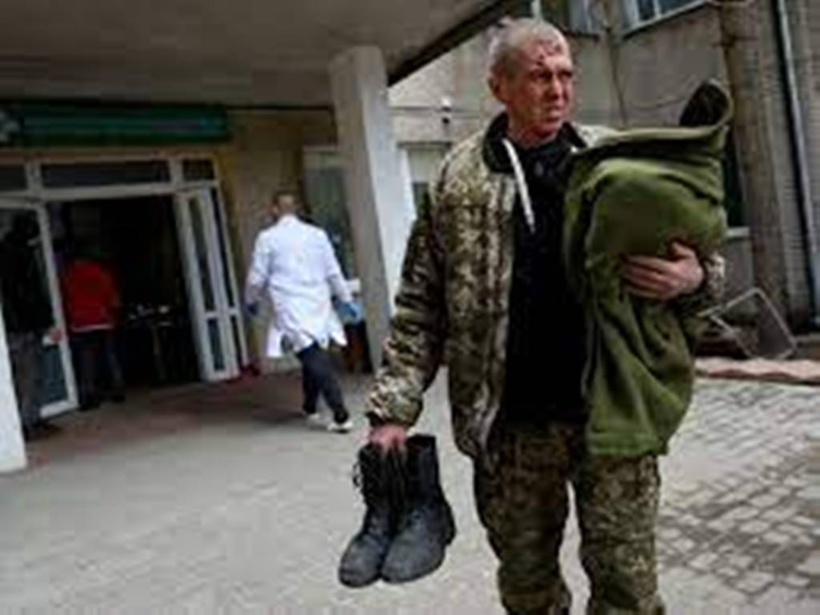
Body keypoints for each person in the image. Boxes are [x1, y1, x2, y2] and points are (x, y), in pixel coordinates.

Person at [364, 19, 726, 615]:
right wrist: (391, 412)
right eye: (539, 77)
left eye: (565, 76)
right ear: (499, 87)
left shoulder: (615, 160)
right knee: (527, 588)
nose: (557, 91)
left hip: (610, 414)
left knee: (628, 589)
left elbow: (697, 252)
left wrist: (694, 279)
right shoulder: (458, 179)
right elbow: (421, 305)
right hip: (509, 429)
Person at [245, 191, 360, 433]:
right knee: (312, 352)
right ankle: (309, 406)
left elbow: (256, 278)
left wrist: (251, 300)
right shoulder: (317, 235)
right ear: (295, 208)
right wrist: (346, 299)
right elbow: (333, 271)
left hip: (291, 306)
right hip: (318, 304)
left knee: (313, 356)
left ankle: (341, 415)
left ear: (274, 209)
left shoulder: (267, 238)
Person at [0, 213, 63, 440]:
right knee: (30, 375)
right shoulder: (21, 254)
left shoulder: (6, 251)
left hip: (12, 326)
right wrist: (47, 323)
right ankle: (28, 423)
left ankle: (26, 421)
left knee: (21, 376)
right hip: (24, 326)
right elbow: (30, 293)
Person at [61, 246, 125, 409]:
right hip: (102, 319)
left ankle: (89, 396)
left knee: (87, 361)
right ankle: (118, 390)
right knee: (109, 357)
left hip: (80, 323)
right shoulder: (99, 271)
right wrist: (114, 313)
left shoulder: (68, 275)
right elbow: (112, 296)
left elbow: (65, 300)